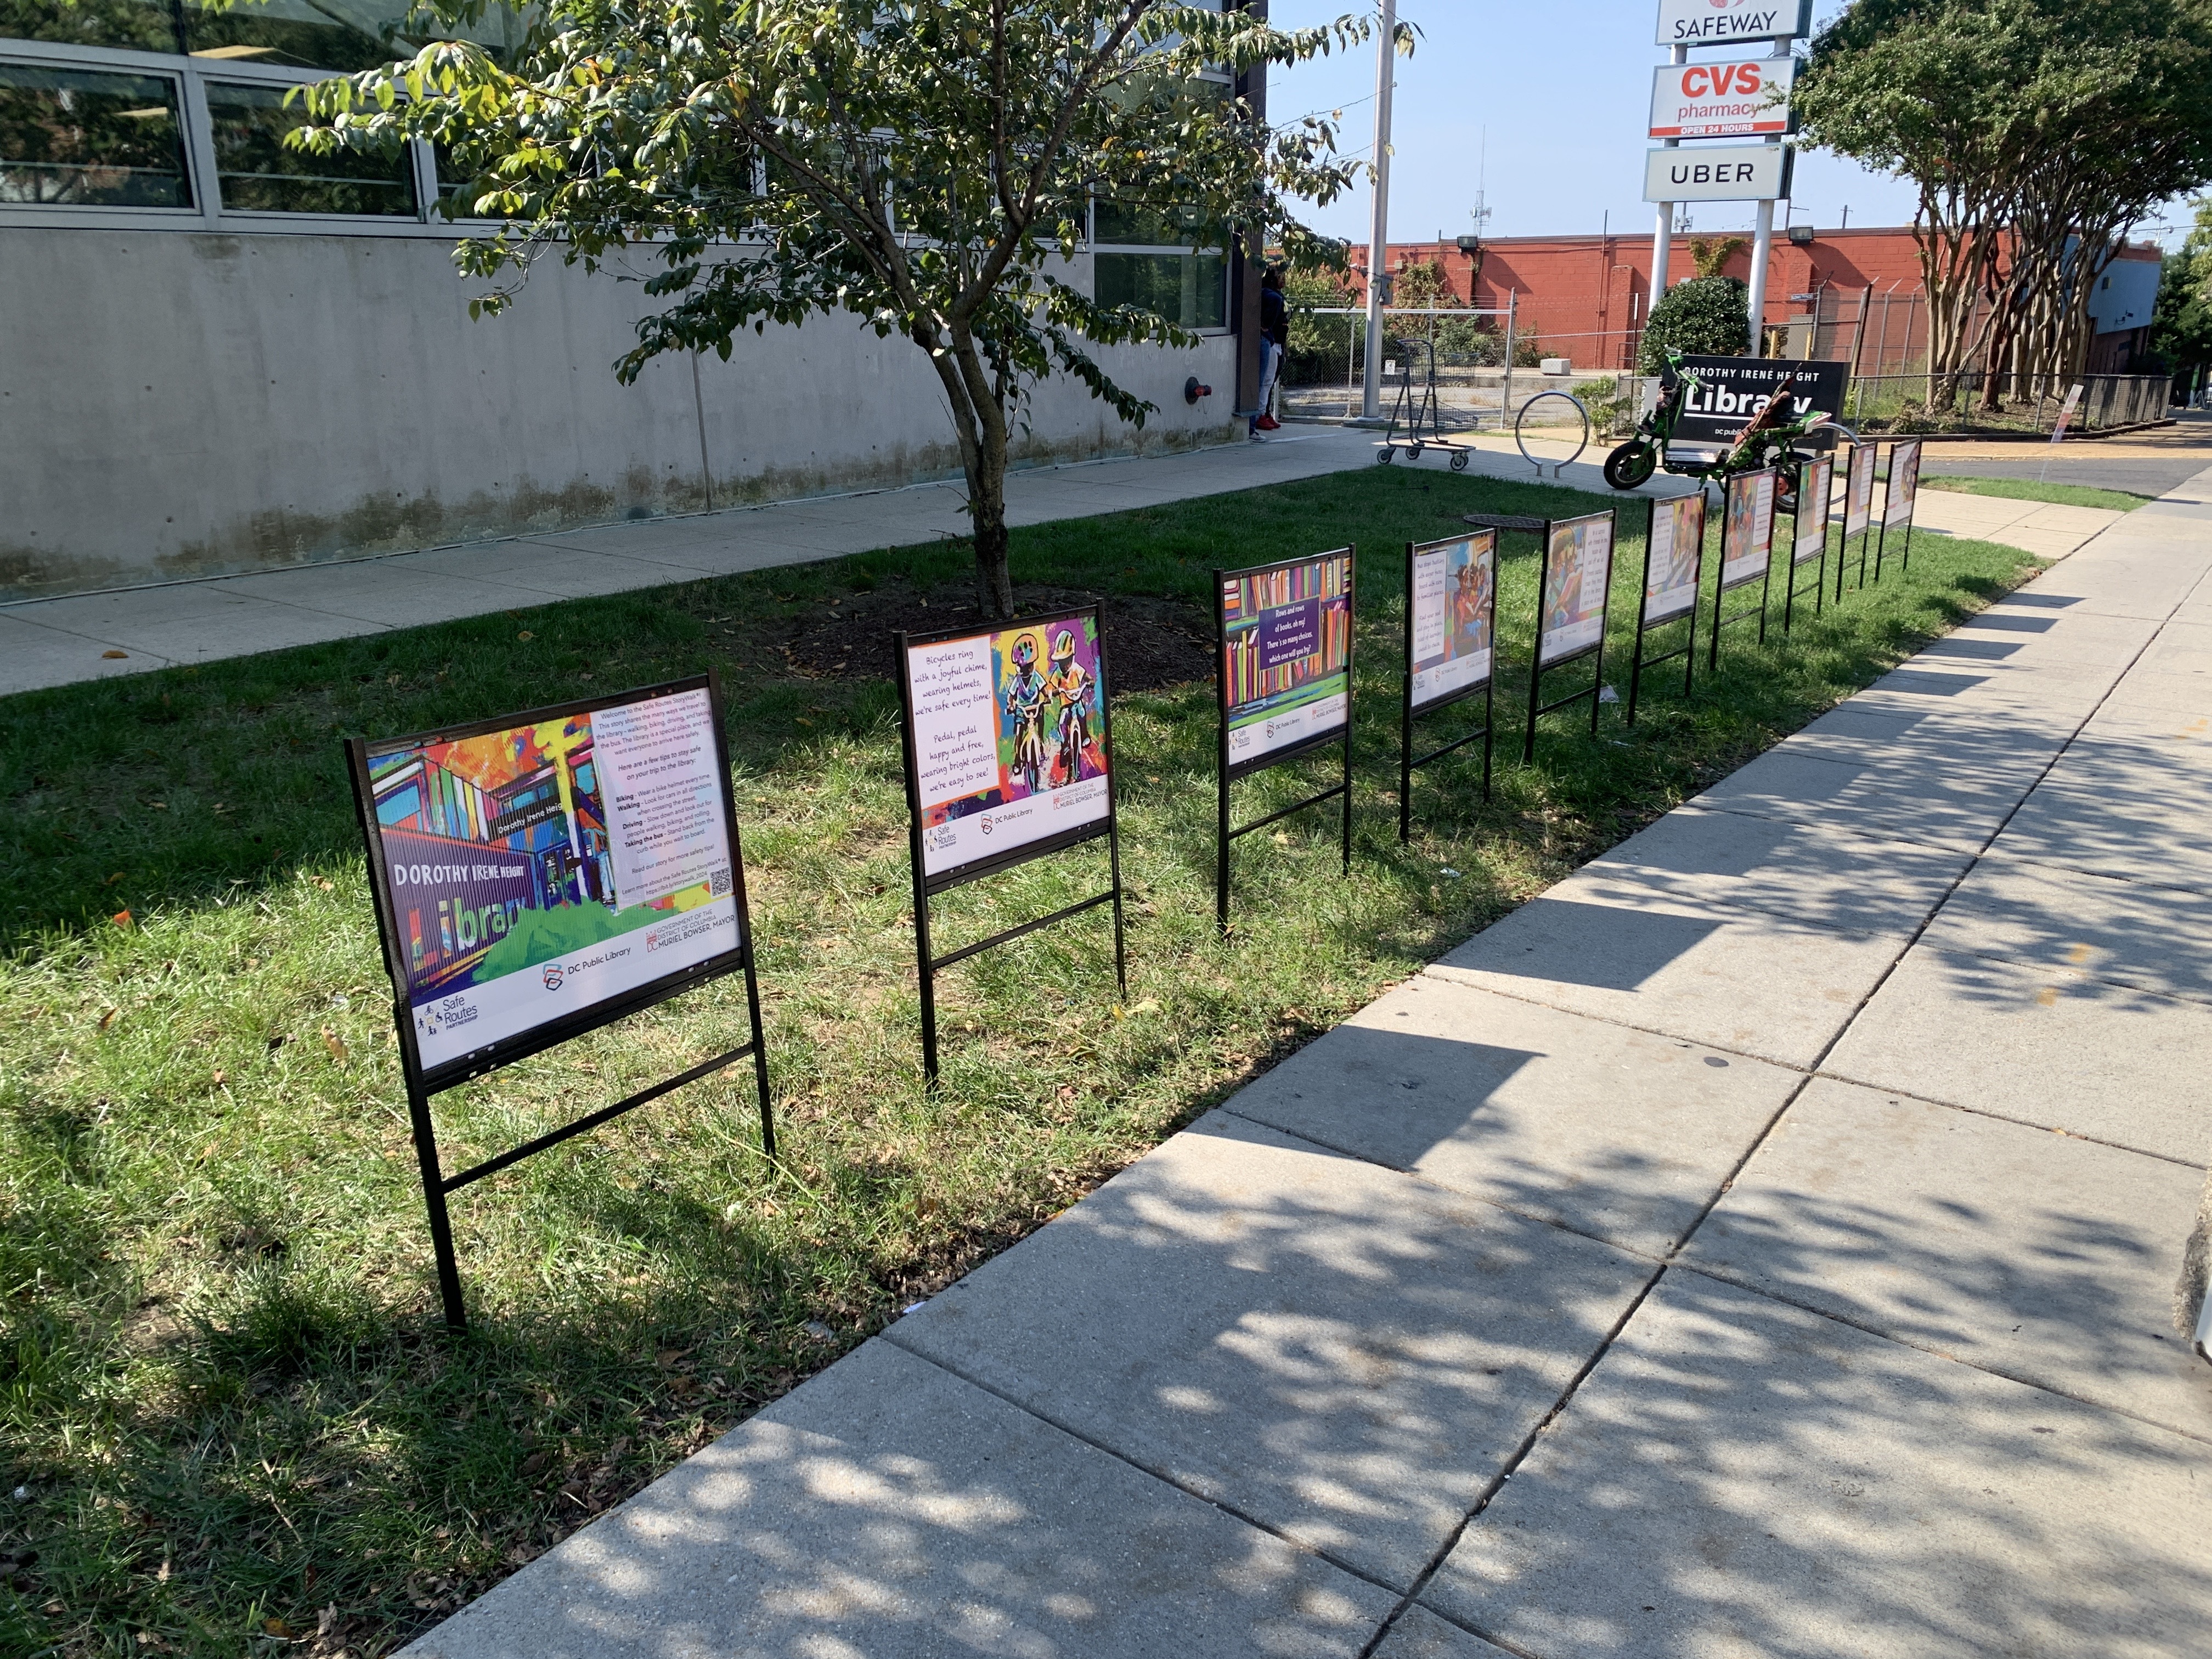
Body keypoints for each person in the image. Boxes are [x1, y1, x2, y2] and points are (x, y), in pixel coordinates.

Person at [1251, 266, 1288, 436]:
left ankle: (1265, 413)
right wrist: (1265, 325)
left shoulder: (1278, 295)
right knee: (1265, 380)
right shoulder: (1269, 293)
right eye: (1281, 276)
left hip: (1279, 342)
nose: (1284, 280)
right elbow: (1274, 302)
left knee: (1270, 381)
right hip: (1271, 342)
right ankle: (1259, 415)